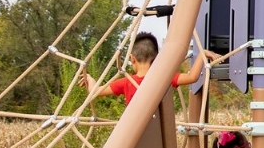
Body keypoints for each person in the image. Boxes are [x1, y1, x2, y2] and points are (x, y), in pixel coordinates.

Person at [79, 32, 210, 106]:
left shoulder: (127, 82)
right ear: (156, 58)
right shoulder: (163, 79)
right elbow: (193, 77)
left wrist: (89, 78)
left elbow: (95, 92)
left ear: (132, 58)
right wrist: (202, 54)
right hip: (158, 136)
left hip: (134, 135)